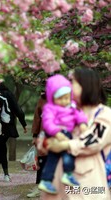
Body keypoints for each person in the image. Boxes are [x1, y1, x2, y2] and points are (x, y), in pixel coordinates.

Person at [41, 68, 110, 200]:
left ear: (86, 85)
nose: (68, 86)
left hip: (87, 185)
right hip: (57, 184)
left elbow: (94, 141)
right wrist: (46, 143)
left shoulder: (104, 114)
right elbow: (45, 138)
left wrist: (63, 145)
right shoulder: (63, 110)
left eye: (72, 82)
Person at [38, 74, 88, 194]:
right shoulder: (49, 108)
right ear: (52, 97)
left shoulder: (71, 105)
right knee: (61, 154)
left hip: (66, 132)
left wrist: (82, 123)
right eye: (60, 98)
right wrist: (56, 132)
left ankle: (56, 176)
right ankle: (58, 176)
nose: (64, 101)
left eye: (66, 98)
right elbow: (47, 122)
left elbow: (79, 114)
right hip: (57, 133)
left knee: (60, 155)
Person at [0, 82, 27, 182]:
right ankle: (6, 174)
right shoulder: (8, 94)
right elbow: (17, 110)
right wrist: (23, 124)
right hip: (6, 125)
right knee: (2, 149)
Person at [26, 91, 48, 198]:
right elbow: (37, 118)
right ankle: (39, 187)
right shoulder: (42, 100)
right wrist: (35, 135)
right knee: (42, 161)